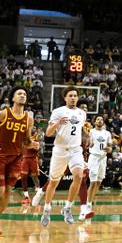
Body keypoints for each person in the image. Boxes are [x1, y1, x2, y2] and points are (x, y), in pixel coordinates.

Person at [0, 86, 38, 236]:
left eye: (24, 94)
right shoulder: (2, 114)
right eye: (19, 93)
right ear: (13, 98)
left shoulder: (29, 119)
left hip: (16, 157)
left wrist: (33, 144)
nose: (23, 95)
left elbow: (26, 140)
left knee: (7, 194)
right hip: (0, 156)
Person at [40, 86, 87, 227]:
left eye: (75, 96)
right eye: (70, 95)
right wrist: (58, 123)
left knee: (79, 176)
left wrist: (86, 136)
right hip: (60, 150)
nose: (73, 98)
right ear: (65, 97)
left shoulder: (81, 113)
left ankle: (67, 208)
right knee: (53, 182)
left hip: (75, 150)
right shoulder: (58, 112)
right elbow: (48, 133)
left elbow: (80, 130)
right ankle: (46, 209)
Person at [86, 116, 113, 219]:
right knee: (92, 182)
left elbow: (110, 147)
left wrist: (109, 149)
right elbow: (87, 143)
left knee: (98, 182)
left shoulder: (107, 133)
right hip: (93, 157)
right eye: (98, 119)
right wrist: (89, 143)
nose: (100, 121)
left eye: (101, 119)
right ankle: (88, 204)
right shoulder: (91, 132)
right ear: (95, 121)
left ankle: (91, 200)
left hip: (103, 158)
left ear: (103, 122)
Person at [20, 124, 42, 205]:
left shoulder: (37, 136)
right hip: (25, 158)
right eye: (31, 127)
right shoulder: (25, 137)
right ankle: (26, 197)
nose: (33, 128)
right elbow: (24, 145)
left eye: (34, 127)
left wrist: (30, 144)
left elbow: (36, 147)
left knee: (34, 176)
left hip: (33, 158)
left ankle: (38, 192)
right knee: (23, 176)